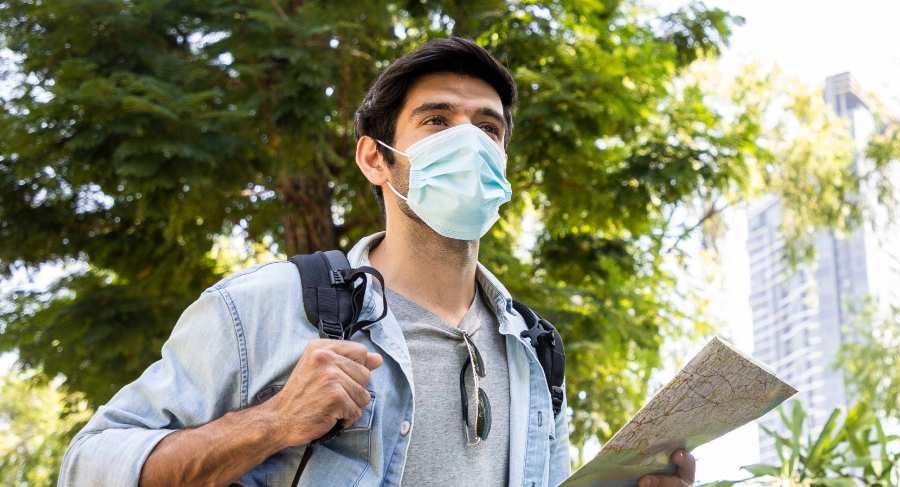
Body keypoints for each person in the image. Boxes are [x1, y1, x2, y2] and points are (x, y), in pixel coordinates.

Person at [59, 37, 696, 487]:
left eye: (488, 128)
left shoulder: (535, 349)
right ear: (375, 159)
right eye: (437, 121)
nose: (468, 143)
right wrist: (273, 422)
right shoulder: (265, 306)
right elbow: (89, 467)